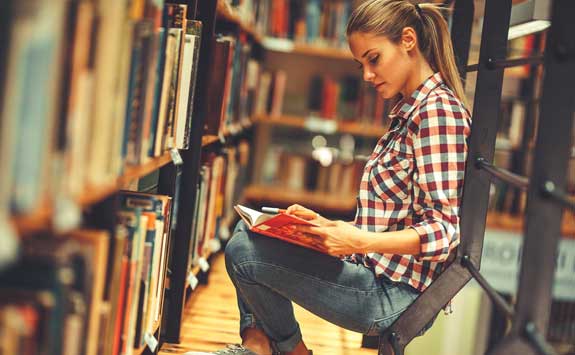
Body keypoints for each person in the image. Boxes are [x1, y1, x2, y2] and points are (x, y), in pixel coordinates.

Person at [186, 0, 471, 354]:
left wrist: (357, 241)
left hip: (391, 293)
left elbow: (444, 232)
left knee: (244, 252)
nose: (367, 75)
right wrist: (326, 228)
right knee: (250, 227)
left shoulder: (438, 114)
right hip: (371, 269)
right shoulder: (410, 111)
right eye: (361, 64)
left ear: (408, 40)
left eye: (374, 58)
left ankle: (285, 350)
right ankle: (259, 344)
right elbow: (392, 217)